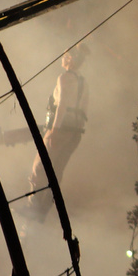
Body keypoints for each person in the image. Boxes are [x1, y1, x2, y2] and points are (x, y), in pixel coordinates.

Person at [28, 46, 89, 206]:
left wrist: (54, 130)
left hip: (60, 129)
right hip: (75, 133)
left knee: (40, 167)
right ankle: (45, 207)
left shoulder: (64, 78)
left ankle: (33, 206)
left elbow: (62, 104)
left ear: (70, 59)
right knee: (57, 170)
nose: (62, 59)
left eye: (64, 56)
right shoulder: (83, 82)